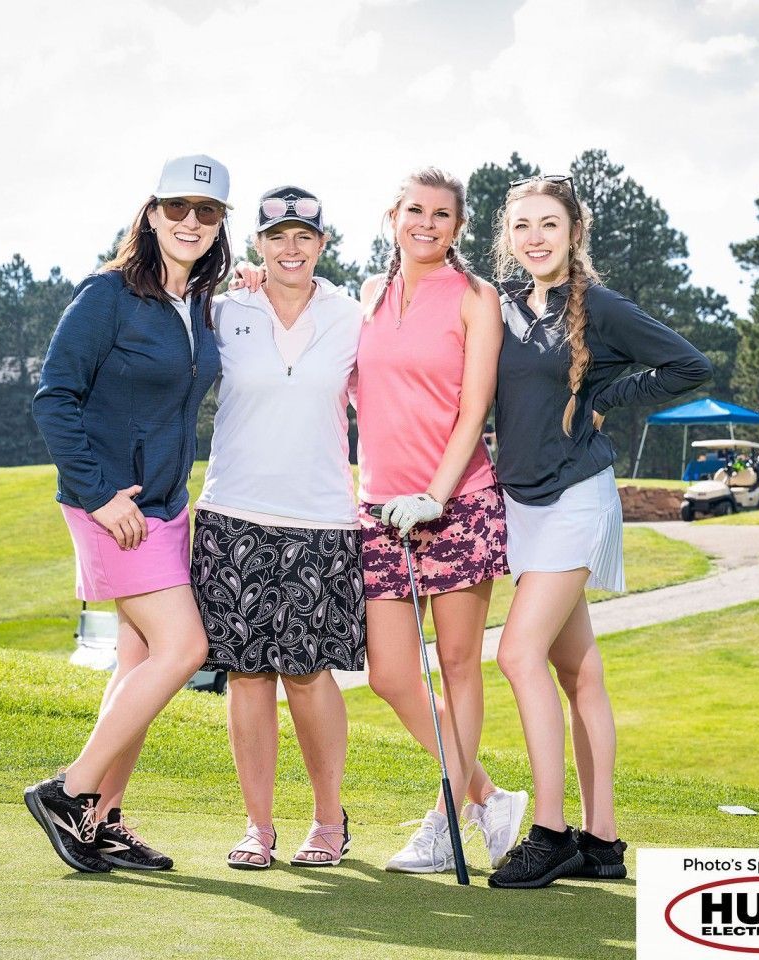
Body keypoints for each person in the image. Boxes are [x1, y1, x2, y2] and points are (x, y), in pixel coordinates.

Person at [231, 167, 528, 875]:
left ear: (457, 227)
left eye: (442, 215)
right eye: (414, 211)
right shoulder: (367, 295)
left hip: (457, 506)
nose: (426, 224)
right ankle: (485, 795)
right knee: (394, 675)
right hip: (378, 511)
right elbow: (309, 333)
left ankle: (443, 816)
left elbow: (473, 407)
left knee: (457, 667)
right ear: (392, 217)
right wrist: (251, 283)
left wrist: (436, 491)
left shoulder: (476, 298)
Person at [487, 174, 712, 888]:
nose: (534, 237)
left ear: (573, 231)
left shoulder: (600, 307)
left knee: (517, 656)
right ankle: (603, 842)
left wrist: (606, 398)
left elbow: (688, 364)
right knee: (575, 669)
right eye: (521, 225)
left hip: (577, 498)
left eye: (547, 223)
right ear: (507, 236)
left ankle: (551, 832)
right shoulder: (498, 308)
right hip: (521, 501)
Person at [26, 154, 232, 873]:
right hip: (113, 509)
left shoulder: (198, 304)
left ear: (218, 226)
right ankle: (69, 792)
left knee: (139, 661)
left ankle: (103, 820)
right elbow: (54, 397)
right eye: (176, 207)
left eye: (205, 212)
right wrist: (99, 491)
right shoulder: (107, 295)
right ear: (151, 213)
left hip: (165, 509)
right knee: (185, 649)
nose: (189, 222)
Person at [191, 186, 365, 869]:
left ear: (323, 243)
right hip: (232, 512)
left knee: (307, 674)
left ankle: (328, 822)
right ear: (257, 243)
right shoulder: (222, 308)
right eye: (277, 235)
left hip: (321, 517)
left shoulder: (352, 315)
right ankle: (256, 827)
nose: (290, 248)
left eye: (304, 235)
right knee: (247, 676)